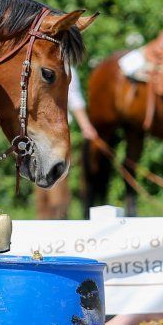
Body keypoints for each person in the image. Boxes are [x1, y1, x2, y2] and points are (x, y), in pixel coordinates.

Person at [34, 66, 96, 219]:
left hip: (39, 132)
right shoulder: (64, 67)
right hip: (51, 133)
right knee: (54, 181)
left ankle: (53, 220)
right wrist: (86, 126)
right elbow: (75, 100)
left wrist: (86, 127)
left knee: (47, 181)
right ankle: (56, 221)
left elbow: (74, 100)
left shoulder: (35, 65)